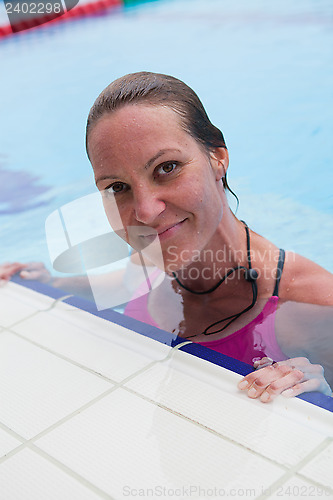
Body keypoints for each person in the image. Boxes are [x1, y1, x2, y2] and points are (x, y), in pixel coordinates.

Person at [2, 71, 333, 402]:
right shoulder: (153, 253)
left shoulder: (312, 303)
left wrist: (319, 392)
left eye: (167, 167)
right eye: (117, 187)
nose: (145, 212)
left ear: (218, 158)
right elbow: (118, 286)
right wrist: (51, 283)